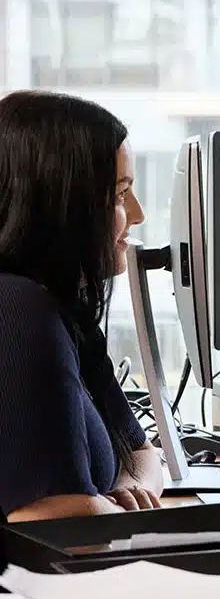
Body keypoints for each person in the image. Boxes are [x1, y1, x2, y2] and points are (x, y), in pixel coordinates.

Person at [0, 90, 164, 523]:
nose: (137, 214)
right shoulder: (18, 311)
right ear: (58, 205)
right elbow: (48, 520)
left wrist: (134, 487)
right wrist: (99, 507)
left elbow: (143, 453)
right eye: (118, 195)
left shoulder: (60, 307)